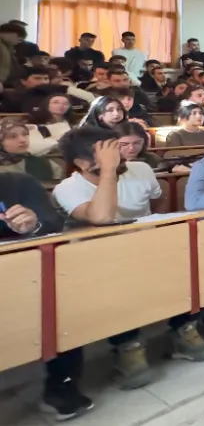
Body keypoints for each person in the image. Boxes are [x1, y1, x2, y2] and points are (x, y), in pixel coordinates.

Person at [0, 171, 95, 420]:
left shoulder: (18, 182)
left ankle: (61, 388)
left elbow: (51, 224)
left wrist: (34, 224)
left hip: (26, 275)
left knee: (62, 295)